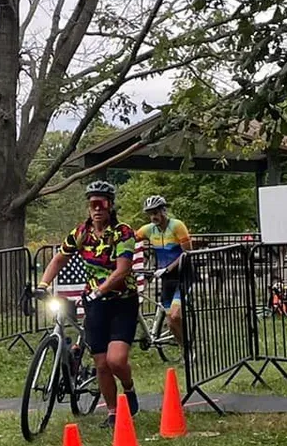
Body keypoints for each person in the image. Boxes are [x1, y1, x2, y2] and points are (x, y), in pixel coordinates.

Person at [38, 180, 140, 427]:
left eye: (102, 203)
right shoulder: (80, 233)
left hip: (121, 300)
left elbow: (123, 269)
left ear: (110, 206)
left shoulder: (122, 232)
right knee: (102, 363)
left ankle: (129, 388)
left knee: (116, 360)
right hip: (95, 304)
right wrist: (42, 284)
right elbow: (59, 259)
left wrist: (102, 289)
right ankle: (114, 413)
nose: (97, 209)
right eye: (93, 204)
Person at [136, 193, 193, 348]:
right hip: (166, 278)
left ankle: (187, 344)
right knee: (170, 321)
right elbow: (130, 239)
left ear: (164, 211)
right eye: (150, 214)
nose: (153, 216)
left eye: (155, 212)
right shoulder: (149, 230)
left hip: (182, 274)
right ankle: (185, 348)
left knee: (175, 316)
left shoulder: (177, 226)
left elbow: (187, 253)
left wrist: (168, 268)